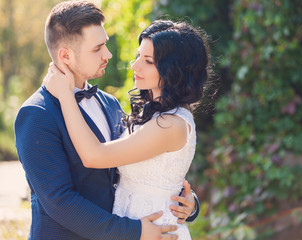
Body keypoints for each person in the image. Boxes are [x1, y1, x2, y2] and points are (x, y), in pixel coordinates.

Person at [14, 1, 199, 239]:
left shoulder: (109, 103)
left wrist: (187, 202)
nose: (108, 54)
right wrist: (134, 231)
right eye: (97, 48)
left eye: (106, 44)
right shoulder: (36, 114)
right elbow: (60, 202)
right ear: (65, 55)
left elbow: (135, 166)